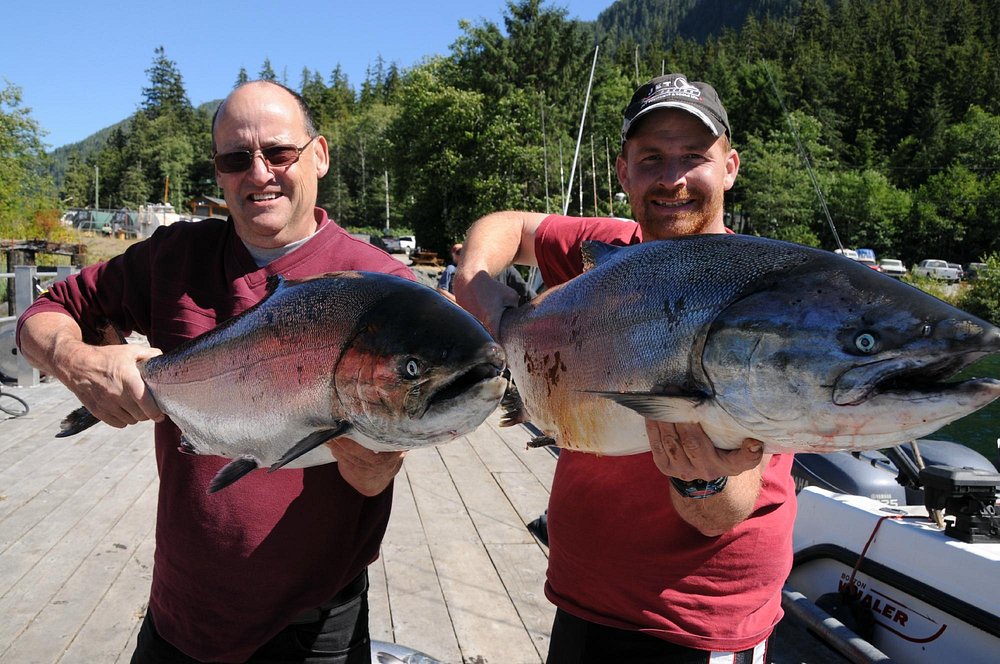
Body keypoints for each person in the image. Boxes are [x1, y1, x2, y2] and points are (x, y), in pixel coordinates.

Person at [16, 80, 413, 664]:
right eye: (235, 159)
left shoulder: (383, 290)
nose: (259, 174)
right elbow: (42, 312)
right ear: (219, 173)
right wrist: (77, 360)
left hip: (316, 620)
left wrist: (377, 469)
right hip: (183, 605)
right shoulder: (173, 256)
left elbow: (389, 457)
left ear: (319, 155)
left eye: (279, 153)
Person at [453, 74, 796, 663]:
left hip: (692, 622)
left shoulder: (755, 297)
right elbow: (506, 225)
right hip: (580, 596)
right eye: (652, 159)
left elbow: (722, 513)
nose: (672, 179)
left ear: (731, 167)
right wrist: (480, 290)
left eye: (694, 157)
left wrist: (701, 476)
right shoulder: (608, 249)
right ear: (623, 171)